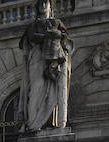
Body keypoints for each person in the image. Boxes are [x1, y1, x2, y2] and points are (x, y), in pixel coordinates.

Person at [18, 0, 72, 132]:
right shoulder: (33, 25)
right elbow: (31, 37)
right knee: (36, 88)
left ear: (50, 6)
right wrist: (49, 36)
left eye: (45, 3)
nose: (43, 6)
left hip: (53, 58)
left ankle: (49, 121)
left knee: (54, 91)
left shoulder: (57, 23)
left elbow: (65, 39)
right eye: (41, 3)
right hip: (37, 58)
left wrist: (56, 36)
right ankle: (33, 124)